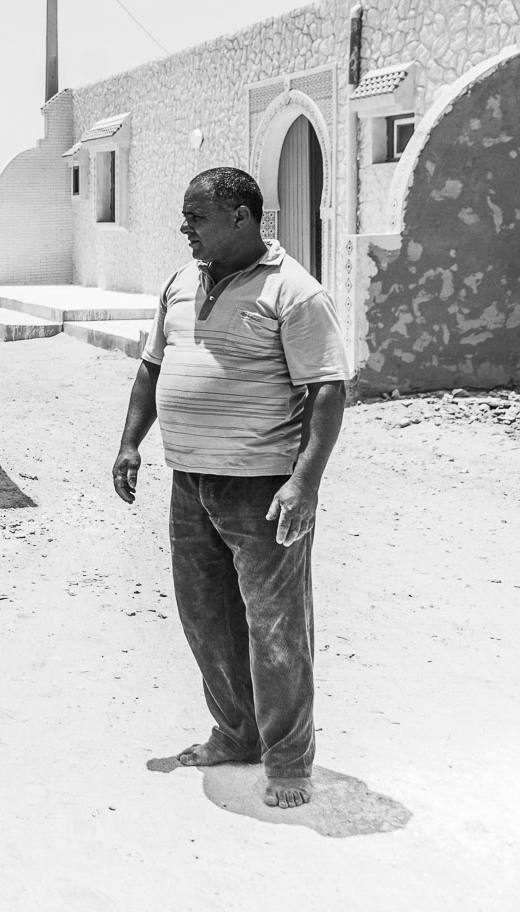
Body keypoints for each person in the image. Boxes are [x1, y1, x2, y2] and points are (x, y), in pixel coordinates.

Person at [111, 166, 348, 809]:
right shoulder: (180, 284)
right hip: (189, 481)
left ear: (241, 218)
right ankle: (236, 734)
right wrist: (131, 443)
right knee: (206, 619)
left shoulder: (295, 292)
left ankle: (288, 762)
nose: (185, 228)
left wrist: (305, 482)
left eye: (197, 217)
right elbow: (152, 367)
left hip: (262, 488)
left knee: (276, 627)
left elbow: (327, 389)